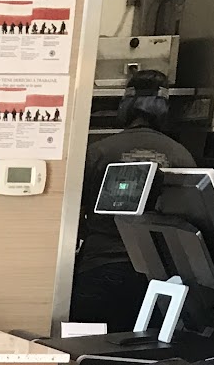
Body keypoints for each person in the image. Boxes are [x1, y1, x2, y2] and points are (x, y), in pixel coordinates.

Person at [70, 70, 194, 331]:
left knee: (89, 348)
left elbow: (73, 215)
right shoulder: (180, 155)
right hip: (157, 276)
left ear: (125, 105)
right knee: (145, 348)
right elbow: (190, 221)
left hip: (100, 268)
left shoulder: (99, 151)